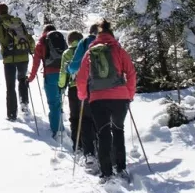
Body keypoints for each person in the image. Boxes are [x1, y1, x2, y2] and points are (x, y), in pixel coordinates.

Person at [75, 19, 138, 182]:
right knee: (118, 130)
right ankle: (121, 168)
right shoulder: (119, 50)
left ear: (98, 35)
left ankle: (107, 173)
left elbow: (81, 78)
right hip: (120, 98)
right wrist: (129, 94)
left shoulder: (90, 52)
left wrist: (83, 96)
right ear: (111, 34)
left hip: (98, 99)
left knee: (103, 134)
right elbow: (131, 73)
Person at [0, 3, 34, 121]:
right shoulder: (19, 23)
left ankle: (11, 115)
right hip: (23, 57)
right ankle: (24, 104)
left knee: (10, 86)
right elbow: (28, 38)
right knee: (22, 79)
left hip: (9, 60)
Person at [28, 22, 68, 139]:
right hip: (64, 75)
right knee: (59, 100)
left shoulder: (42, 42)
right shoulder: (61, 40)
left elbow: (36, 64)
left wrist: (30, 78)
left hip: (50, 75)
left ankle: (58, 131)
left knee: (53, 103)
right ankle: (60, 126)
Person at [67, 22, 101, 156]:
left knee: (86, 119)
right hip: (109, 88)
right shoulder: (111, 42)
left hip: (89, 86)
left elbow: (75, 66)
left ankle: (89, 154)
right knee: (103, 120)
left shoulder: (85, 42)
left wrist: (68, 69)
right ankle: (104, 149)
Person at [57, 30, 84, 149]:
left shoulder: (67, 53)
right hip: (88, 87)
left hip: (74, 87)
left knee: (75, 117)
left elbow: (63, 72)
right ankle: (91, 144)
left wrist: (61, 85)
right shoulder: (87, 50)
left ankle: (77, 145)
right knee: (87, 116)